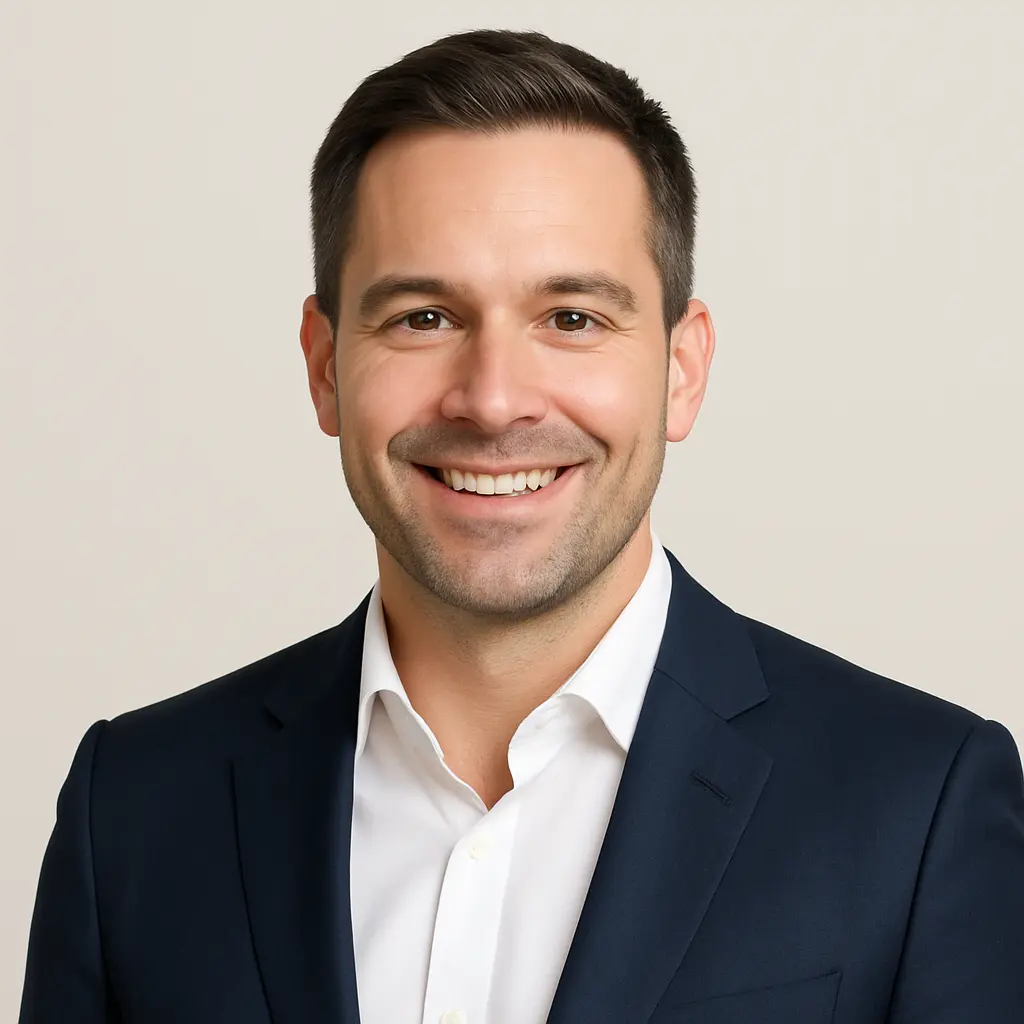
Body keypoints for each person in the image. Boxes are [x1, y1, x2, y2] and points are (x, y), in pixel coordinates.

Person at [19, 27, 1024, 1024]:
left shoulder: (917, 806)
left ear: (682, 369)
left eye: (572, 318)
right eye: (423, 316)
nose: (493, 401)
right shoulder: (134, 810)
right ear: (325, 365)